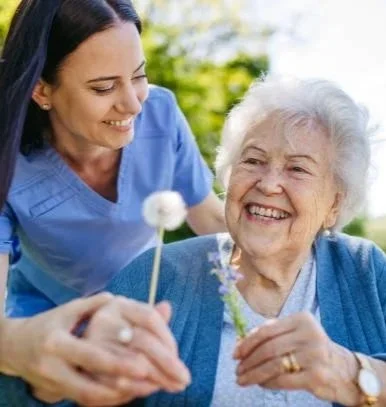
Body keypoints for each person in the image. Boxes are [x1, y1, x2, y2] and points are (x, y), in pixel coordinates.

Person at [4, 76, 385, 406]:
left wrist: (349, 372)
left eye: (298, 168)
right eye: (253, 161)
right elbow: (54, 396)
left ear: (334, 204)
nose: (268, 184)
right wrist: (48, 378)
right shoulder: (156, 276)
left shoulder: (365, 269)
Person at [0, 0, 221, 403]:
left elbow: (209, 216)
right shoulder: (6, 159)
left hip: (149, 305)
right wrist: (18, 348)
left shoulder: (161, 113)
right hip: (47, 320)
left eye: (139, 76)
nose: (134, 105)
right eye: (103, 87)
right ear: (42, 90)